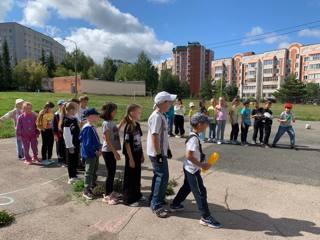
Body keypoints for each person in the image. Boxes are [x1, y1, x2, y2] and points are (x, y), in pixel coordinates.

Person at [170, 113, 221, 229]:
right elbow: (189, 156)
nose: (207, 126)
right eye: (206, 124)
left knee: (187, 187)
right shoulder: (193, 138)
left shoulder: (195, 136)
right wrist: (202, 165)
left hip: (190, 168)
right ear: (199, 125)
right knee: (201, 192)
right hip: (192, 169)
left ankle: (175, 204)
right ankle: (205, 217)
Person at [147, 91, 176, 218]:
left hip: (161, 151)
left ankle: (155, 198)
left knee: (159, 176)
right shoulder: (156, 117)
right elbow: (154, 136)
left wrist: (167, 149)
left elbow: (163, 136)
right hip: (156, 152)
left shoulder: (162, 115)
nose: (170, 104)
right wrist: (159, 154)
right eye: (169, 101)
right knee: (162, 176)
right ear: (163, 103)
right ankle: (156, 204)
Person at [122, 104, 144, 207]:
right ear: (131, 112)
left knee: (137, 176)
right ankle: (128, 199)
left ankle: (137, 195)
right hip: (131, 156)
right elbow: (126, 144)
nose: (140, 114)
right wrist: (130, 159)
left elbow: (139, 141)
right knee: (130, 177)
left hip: (137, 154)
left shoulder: (137, 125)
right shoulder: (129, 126)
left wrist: (142, 154)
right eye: (138, 112)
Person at [100, 102, 122, 205]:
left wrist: (123, 121)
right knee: (110, 173)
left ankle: (111, 191)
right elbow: (108, 140)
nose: (116, 112)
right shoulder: (106, 123)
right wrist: (115, 153)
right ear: (110, 111)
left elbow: (116, 129)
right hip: (108, 151)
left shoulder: (111, 122)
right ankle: (107, 195)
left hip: (111, 151)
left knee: (112, 172)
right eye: (114, 110)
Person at [80, 108, 102, 200]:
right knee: (89, 171)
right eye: (96, 115)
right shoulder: (88, 128)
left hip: (95, 152)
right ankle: (86, 190)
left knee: (94, 169)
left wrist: (99, 147)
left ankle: (93, 184)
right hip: (90, 153)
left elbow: (95, 140)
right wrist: (95, 151)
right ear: (90, 117)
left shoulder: (91, 126)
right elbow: (87, 143)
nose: (98, 117)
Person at [61, 102, 81, 184]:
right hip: (70, 145)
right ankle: (71, 177)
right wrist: (70, 146)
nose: (77, 111)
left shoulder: (74, 118)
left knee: (75, 159)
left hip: (76, 142)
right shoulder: (66, 120)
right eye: (76, 109)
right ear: (71, 110)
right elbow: (66, 135)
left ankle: (74, 175)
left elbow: (77, 130)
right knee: (70, 161)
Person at [53, 100, 67, 166]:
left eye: (64, 105)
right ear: (59, 105)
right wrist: (55, 135)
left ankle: (65, 159)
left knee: (65, 147)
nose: (64, 106)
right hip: (59, 134)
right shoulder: (56, 114)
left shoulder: (66, 114)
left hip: (65, 134)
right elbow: (54, 126)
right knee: (59, 147)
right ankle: (60, 160)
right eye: (62, 105)